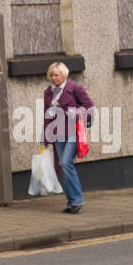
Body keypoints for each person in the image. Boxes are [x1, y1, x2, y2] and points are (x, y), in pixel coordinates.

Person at [40, 61, 94, 213]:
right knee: (62, 168)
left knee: (65, 163)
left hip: (72, 132)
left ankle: (77, 199)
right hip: (57, 133)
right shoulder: (48, 93)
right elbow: (46, 117)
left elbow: (89, 107)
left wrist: (76, 113)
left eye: (56, 75)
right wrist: (44, 139)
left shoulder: (75, 89)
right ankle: (71, 202)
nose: (53, 78)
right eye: (51, 75)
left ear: (64, 75)